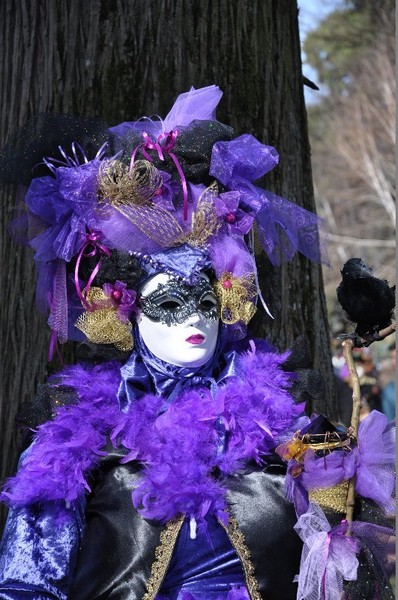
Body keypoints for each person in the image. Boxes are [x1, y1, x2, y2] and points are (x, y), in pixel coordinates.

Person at [0, 86, 394, 600]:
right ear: (126, 313)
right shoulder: (78, 432)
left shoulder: (277, 422)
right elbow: (28, 584)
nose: (194, 318)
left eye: (205, 302)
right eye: (168, 304)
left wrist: (329, 504)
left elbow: (337, 573)